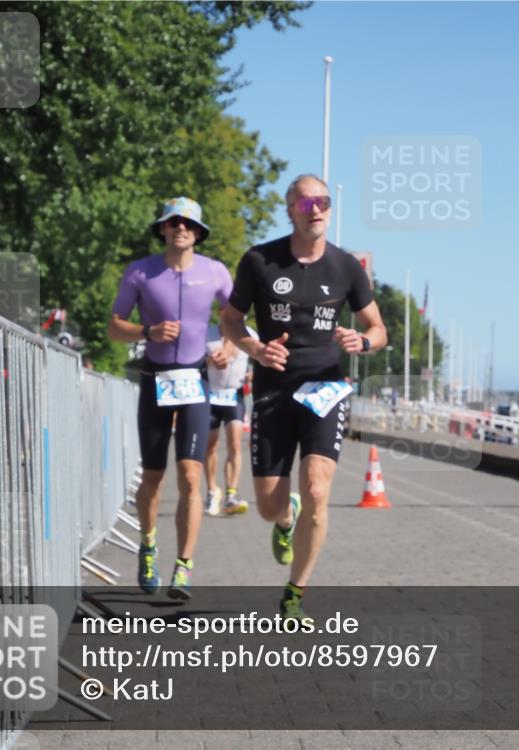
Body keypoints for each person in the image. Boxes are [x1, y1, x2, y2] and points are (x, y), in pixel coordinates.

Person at [221, 174, 387, 622]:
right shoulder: (259, 260)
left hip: (324, 386)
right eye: (307, 202)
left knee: (317, 488)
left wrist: (364, 342)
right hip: (274, 388)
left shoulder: (346, 266)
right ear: (290, 209)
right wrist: (254, 348)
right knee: (268, 506)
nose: (316, 209)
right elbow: (230, 319)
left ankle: (295, 591)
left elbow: (378, 327)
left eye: (324, 202)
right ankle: (283, 518)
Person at [109, 197, 233, 601]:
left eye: (188, 224)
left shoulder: (214, 271)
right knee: (153, 476)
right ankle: (148, 544)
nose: (180, 228)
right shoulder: (141, 272)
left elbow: (236, 319)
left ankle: (184, 566)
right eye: (173, 222)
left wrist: (228, 348)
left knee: (192, 475)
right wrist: (147, 332)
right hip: (155, 379)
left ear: (198, 233)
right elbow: (114, 326)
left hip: (195, 382)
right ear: (162, 228)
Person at [204, 327, 258, 516]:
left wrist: (253, 375)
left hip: (234, 395)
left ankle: (231, 495)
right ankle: (212, 491)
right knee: (210, 445)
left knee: (235, 444)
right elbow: (197, 362)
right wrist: (211, 360)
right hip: (212, 394)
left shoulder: (249, 333)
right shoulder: (208, 334)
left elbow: (258, 357)